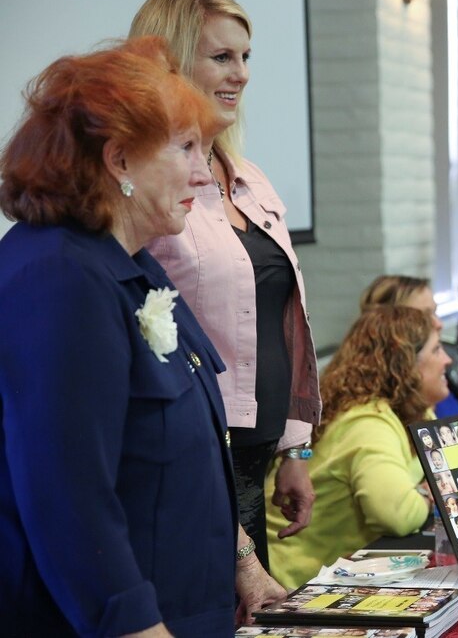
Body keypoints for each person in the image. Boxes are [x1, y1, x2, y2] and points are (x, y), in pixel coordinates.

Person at [0, 37, 284, 634]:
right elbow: (66, 495)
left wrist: (243, 565)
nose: (204, 174)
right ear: (120, 160)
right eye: (185, 148)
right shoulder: (58, 276)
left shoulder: (128, 262)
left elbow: (186, 453)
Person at [130, 0, 321, 571]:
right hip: (192, 456)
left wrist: (295, 449)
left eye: (245, 58)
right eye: (221, 58)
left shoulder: (251, 177)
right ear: (169, 63)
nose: (239, 74)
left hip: (255, 455)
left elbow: (286, 319)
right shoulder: (151, 185)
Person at [266, 306, 450, 588]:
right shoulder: (368, 422)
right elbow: (397, 516)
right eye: (436, 350)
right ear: (406, 365)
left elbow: (443, 468)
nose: (447, 360)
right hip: (301, 582)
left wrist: (426, 487)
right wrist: (428, 490)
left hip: (352, 571)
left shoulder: (415, 412)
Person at [360, 274, 458, 436]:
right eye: (424, 316)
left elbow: (456, 434)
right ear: (392, 324)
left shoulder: (436, 374)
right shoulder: (380, 408)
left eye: (435, 312)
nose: (438, 323)